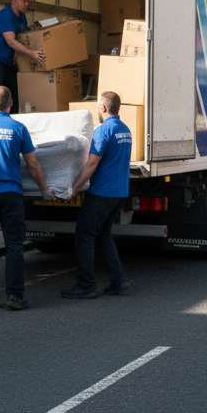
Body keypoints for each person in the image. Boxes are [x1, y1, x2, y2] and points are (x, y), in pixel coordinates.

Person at [0, 86, 56, 311]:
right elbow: (32, 163)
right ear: (11, 104)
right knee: (14, 245)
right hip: (11, 194)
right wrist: (45, 189)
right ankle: (15, 297)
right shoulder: (18, 128)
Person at [61, 91, 132, 300]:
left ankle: (85, 286)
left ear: (102, 107)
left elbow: (92, 164)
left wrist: (73, 188)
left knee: (84, 236)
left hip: (102, 192)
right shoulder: (125, 130)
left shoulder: (103, 130)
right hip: (120, 192)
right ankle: (118, 280)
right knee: (103, 234)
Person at [0, 0, 46, 114]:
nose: (26, 4)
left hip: (7, 60)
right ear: (15, 1)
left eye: (27, 2)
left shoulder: (22, 17)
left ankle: (12, 119)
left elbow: (23, 38)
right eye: (24, 1)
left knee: (13, 94)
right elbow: (11, 41)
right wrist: (32, 54)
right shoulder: (5, 15)